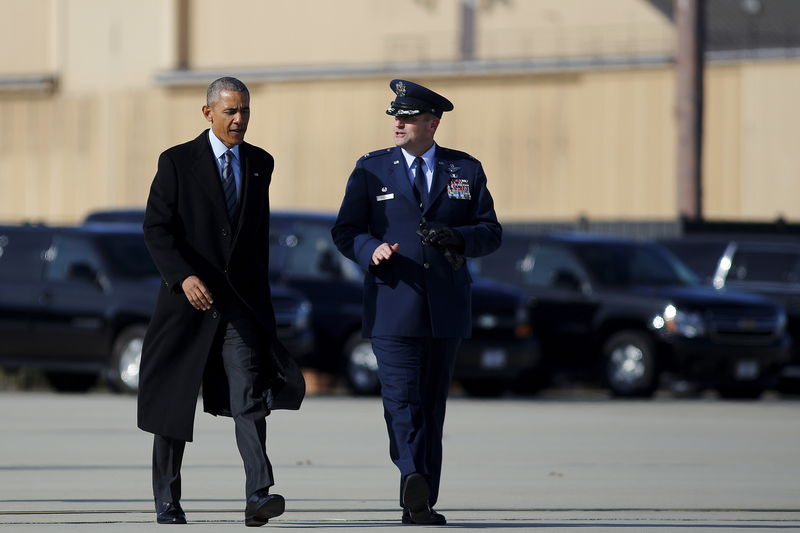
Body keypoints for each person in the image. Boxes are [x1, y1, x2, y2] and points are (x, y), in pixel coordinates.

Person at [331, 79, 502, 525]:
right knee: (401, 401)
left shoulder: (464, 169)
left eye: (407, 117)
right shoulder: (372, 169)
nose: (398, 124)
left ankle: (422, 501)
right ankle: (412, 475)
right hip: (392, 304)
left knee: (431, 406)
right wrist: (371, 250)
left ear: (432, 122)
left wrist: (457, 238)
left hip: (445, 309)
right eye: (395, 116)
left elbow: (490, 232)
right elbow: (345, 230)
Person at [137, 76, 304, 527]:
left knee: (249, 398)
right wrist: (183, 276)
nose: (239, 120)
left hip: (237, 307)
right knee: (173, 403)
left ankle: (258, 496)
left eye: (245, 111)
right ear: (207, 112)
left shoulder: (259, 164)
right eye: (230, 111)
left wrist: (263, 313)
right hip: (187, 302)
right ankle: (168, 501)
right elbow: (157, 230)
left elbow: (256, 245)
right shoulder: (176, 162)